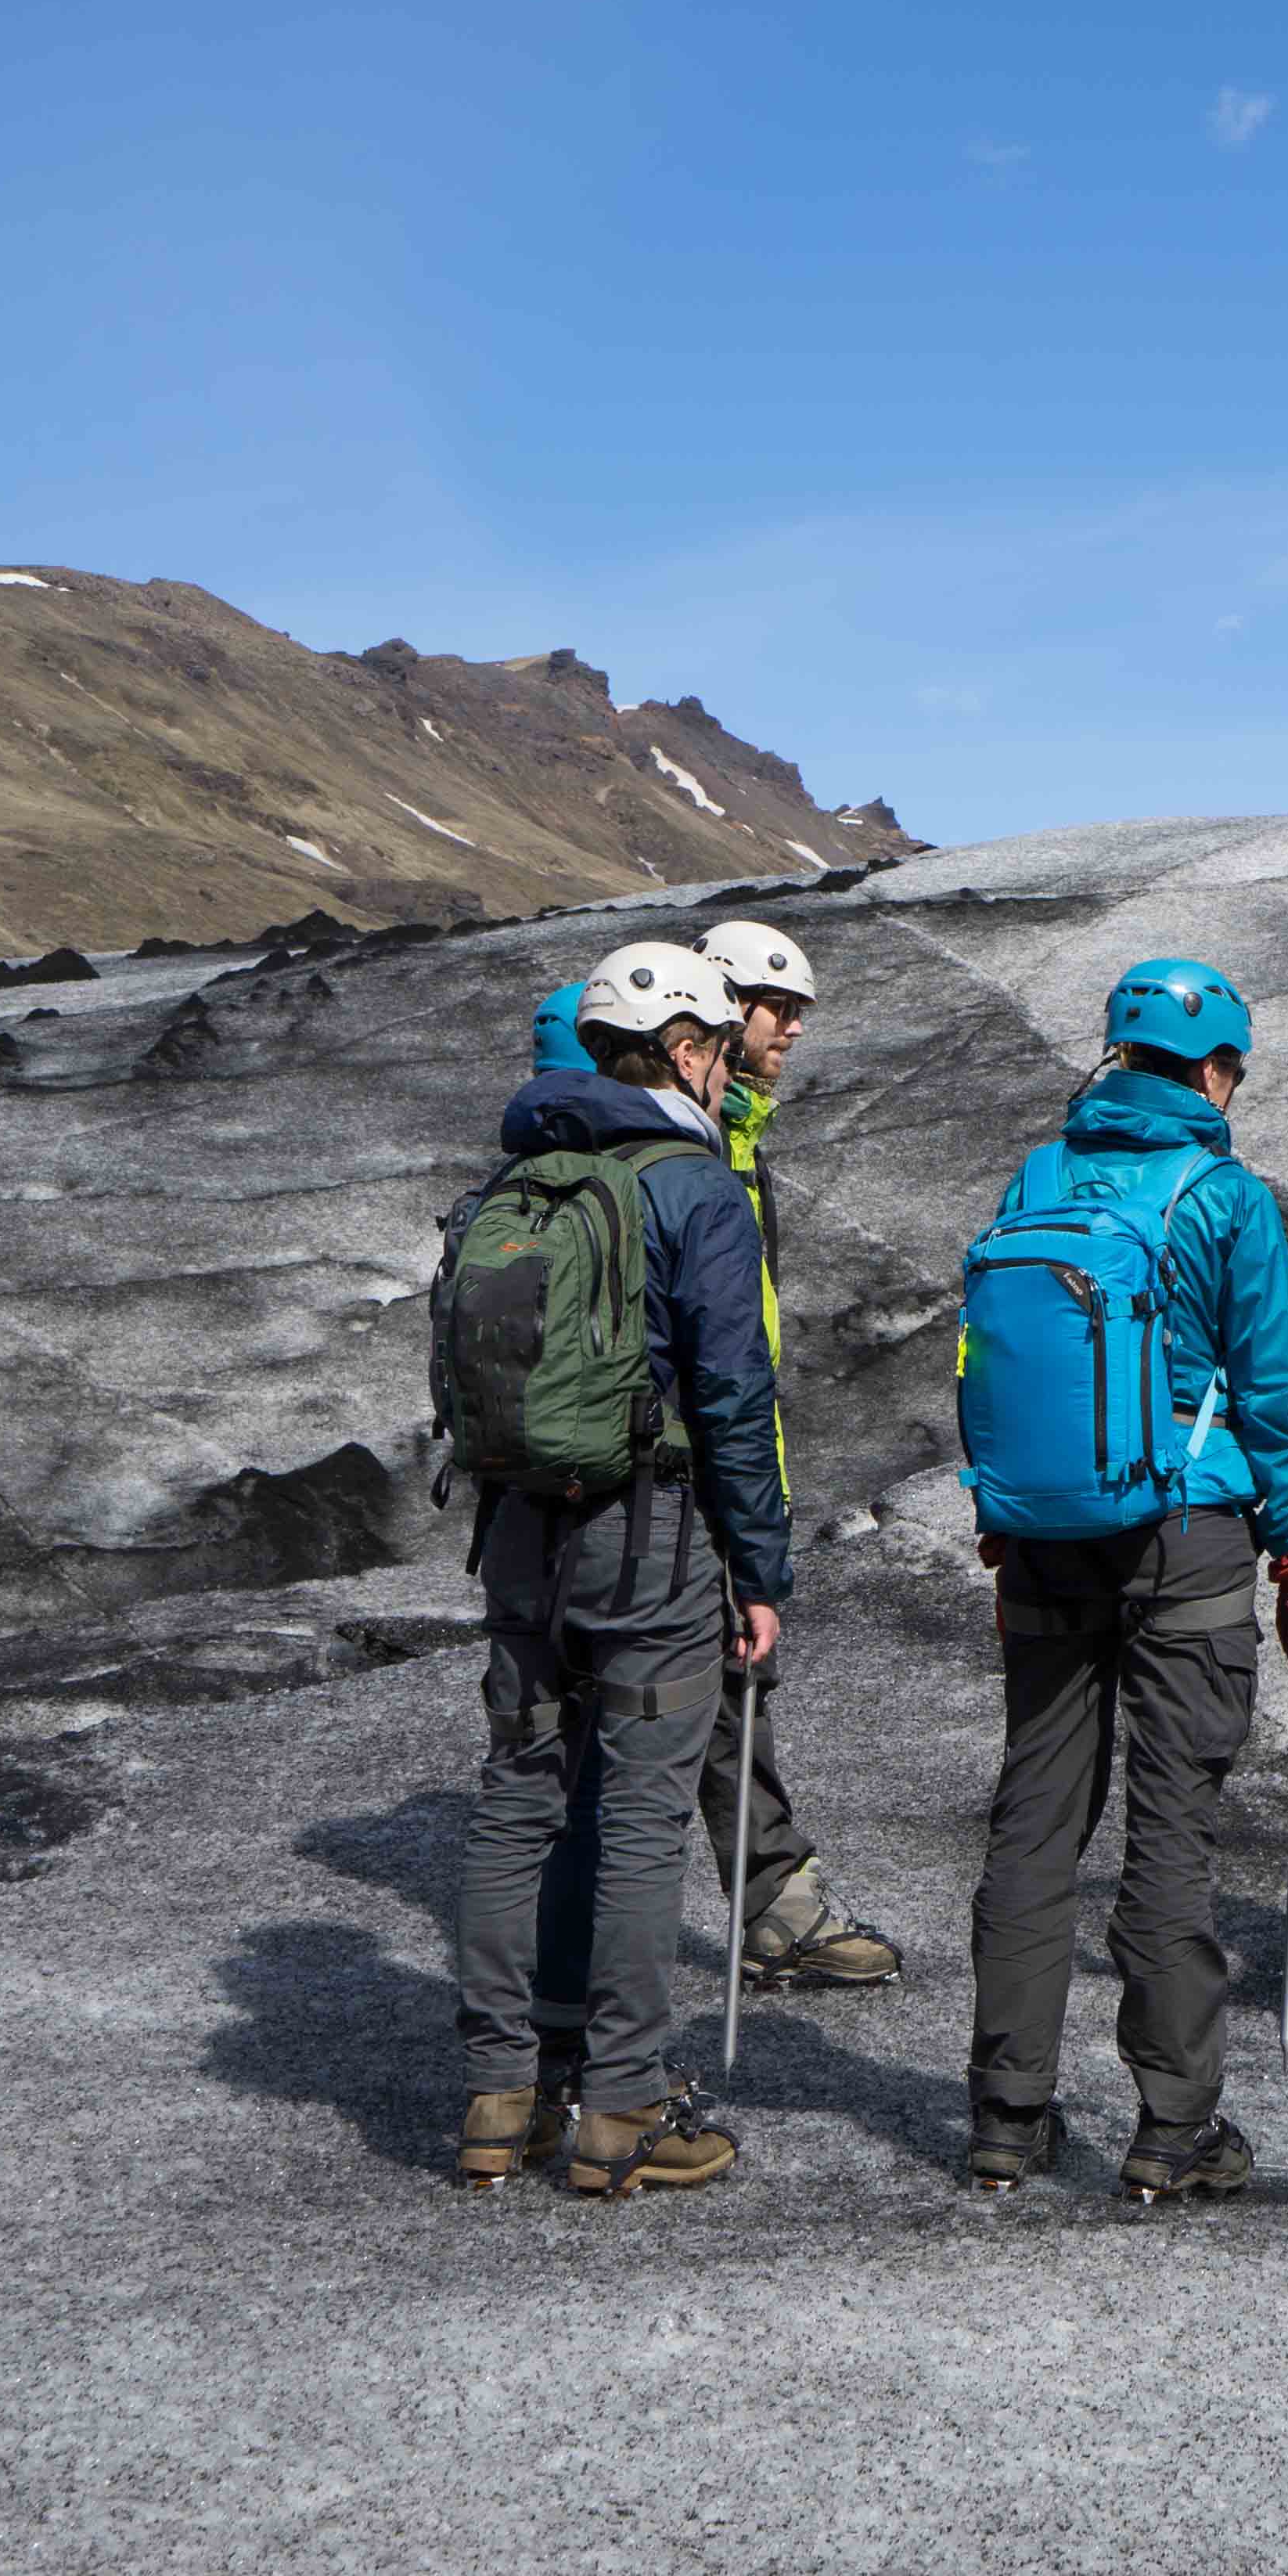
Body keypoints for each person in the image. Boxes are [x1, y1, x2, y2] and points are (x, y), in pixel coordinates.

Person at [959, 957, 1288, 2202]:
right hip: (1187, 1539)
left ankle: (1006, 2120)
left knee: (1035, 1819)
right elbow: (1270, 1392)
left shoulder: (1038, 1175)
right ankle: (1174, 2130)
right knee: (1170, 1827)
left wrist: (1006, 1500)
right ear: (1218, 1069)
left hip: (1046, 1535)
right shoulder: (1224, 1195)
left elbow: (994, 1351)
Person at [444, 939, 791, 2197]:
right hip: (649, 1540)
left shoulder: (517, 1176)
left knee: (518, 1796)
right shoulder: (694, 1191)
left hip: (519, 1534)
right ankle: (624, 2111)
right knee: (641, 1816)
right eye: (715, 1048)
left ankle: (500, 2101)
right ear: (692, 1050)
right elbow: (734, 1395)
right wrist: (761, 1571)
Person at [682, 917, 902, 1991]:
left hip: (703, 1467)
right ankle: (771, 1911)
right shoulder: (694, 1147)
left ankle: (771, 1904)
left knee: (725, 1697)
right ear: (722, 1008)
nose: (797, 1026)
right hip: (686, 1481)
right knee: (722, 1690)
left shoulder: (734, 1138)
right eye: (781, 1006)